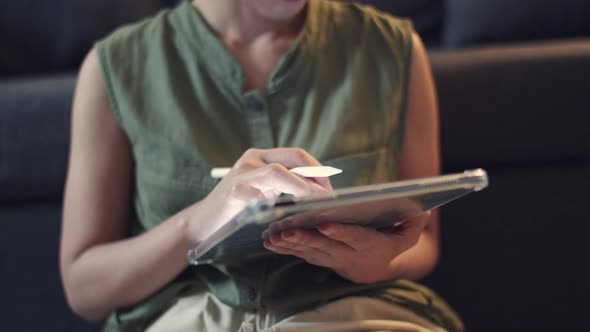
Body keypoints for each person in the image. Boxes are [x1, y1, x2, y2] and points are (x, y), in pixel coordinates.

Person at [59, 0, 463, 331]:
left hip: (356, 311)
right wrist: (194, 226)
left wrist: (366, 261)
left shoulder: (392, 48)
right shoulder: (116, 66)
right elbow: (84, 287)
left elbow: (424, 243)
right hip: (188, 317)